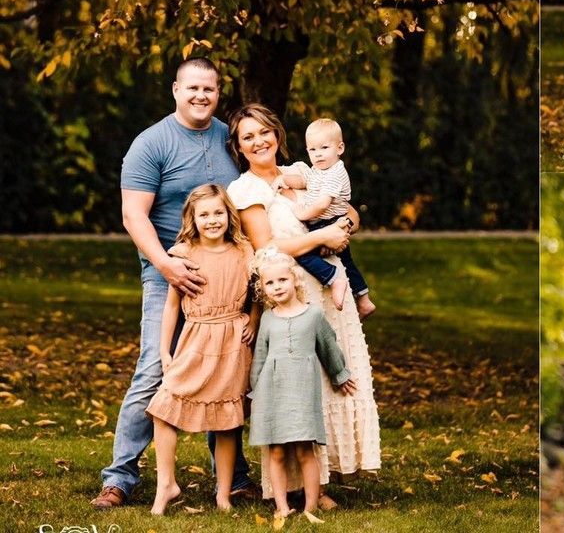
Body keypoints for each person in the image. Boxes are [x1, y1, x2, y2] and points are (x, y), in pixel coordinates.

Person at [92, 57, 255, 510]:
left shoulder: (229, 137)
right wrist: (166, 266)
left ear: (218, 92)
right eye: (193, 88)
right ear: (175, 90)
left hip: (226, 272)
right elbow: (132, 215)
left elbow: (266, 181)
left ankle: (236, 478)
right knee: (154, 369)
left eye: (210, 88)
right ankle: (121, 477)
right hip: (169, 269)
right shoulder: (151, 143)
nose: (201, 96)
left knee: (225, 372)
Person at [226, 104, 380, 508]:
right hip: (290, 293)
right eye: (248, 137)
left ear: (277, 134)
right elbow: (268, 246)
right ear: (239, 147)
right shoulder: (244, 190)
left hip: (331, 291)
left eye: (264, 132)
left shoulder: (303, 169)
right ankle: (294, 486)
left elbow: (347, 210)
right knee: (298, 387)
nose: (259, 141)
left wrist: (343, 227)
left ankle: (323, 480)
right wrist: (324, 235)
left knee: (333, 379)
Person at [146, 184, 256, 514]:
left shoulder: (244, 251)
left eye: (218, 213)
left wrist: (254, 317)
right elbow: (171, 307)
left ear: (229, 215)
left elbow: (259, 291)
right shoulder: (183, 254)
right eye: (204, 214)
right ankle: (166, 483)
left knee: (227, 420)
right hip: (196, 338)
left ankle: (224, 493)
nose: (212, 220)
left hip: (234, 341)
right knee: (164, 407)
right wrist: (165, 351)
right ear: (193, 218)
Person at [248, 248, 358, 524]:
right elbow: (260, 357)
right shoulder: (268, 319)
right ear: (263, 290)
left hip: (302, 394)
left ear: (295, 280)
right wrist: (254, 392)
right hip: (272, 393)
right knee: (276, 451)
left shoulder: (313, 315)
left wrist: (340, 374)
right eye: (270, 283)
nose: (277, 287)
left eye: (282, 280)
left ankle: (311, 505)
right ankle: (281, 506)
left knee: (304, 450)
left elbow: (328, 348)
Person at [275, 117, 377, 318]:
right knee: (347, 261)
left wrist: (301, 213)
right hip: (328, 222)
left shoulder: (335, 173)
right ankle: (364, 298)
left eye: (324, 148)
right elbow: (304, 181)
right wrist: (284, 179)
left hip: (329, 222)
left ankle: (333, 278)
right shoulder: (319, 170)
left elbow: (322, 203)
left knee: (303, 254)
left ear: (340, 148)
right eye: (312, 150)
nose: (318, 154)